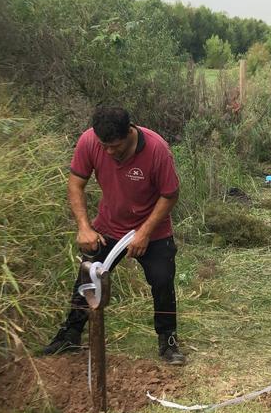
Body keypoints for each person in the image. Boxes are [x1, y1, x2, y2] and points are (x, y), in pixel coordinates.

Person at [41, 106, 186, 365]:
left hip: (152, 230)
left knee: (162, 280)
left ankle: (168, 342)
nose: (108, 152)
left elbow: (170, 195)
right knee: (88, 274)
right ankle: (70, 335)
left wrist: (144, 232)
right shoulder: (89, 141)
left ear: (129, 132)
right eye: (104, 146)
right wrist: (84, 227)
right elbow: (75, 183)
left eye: (115, 146)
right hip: (109, 226)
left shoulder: (157, 150)